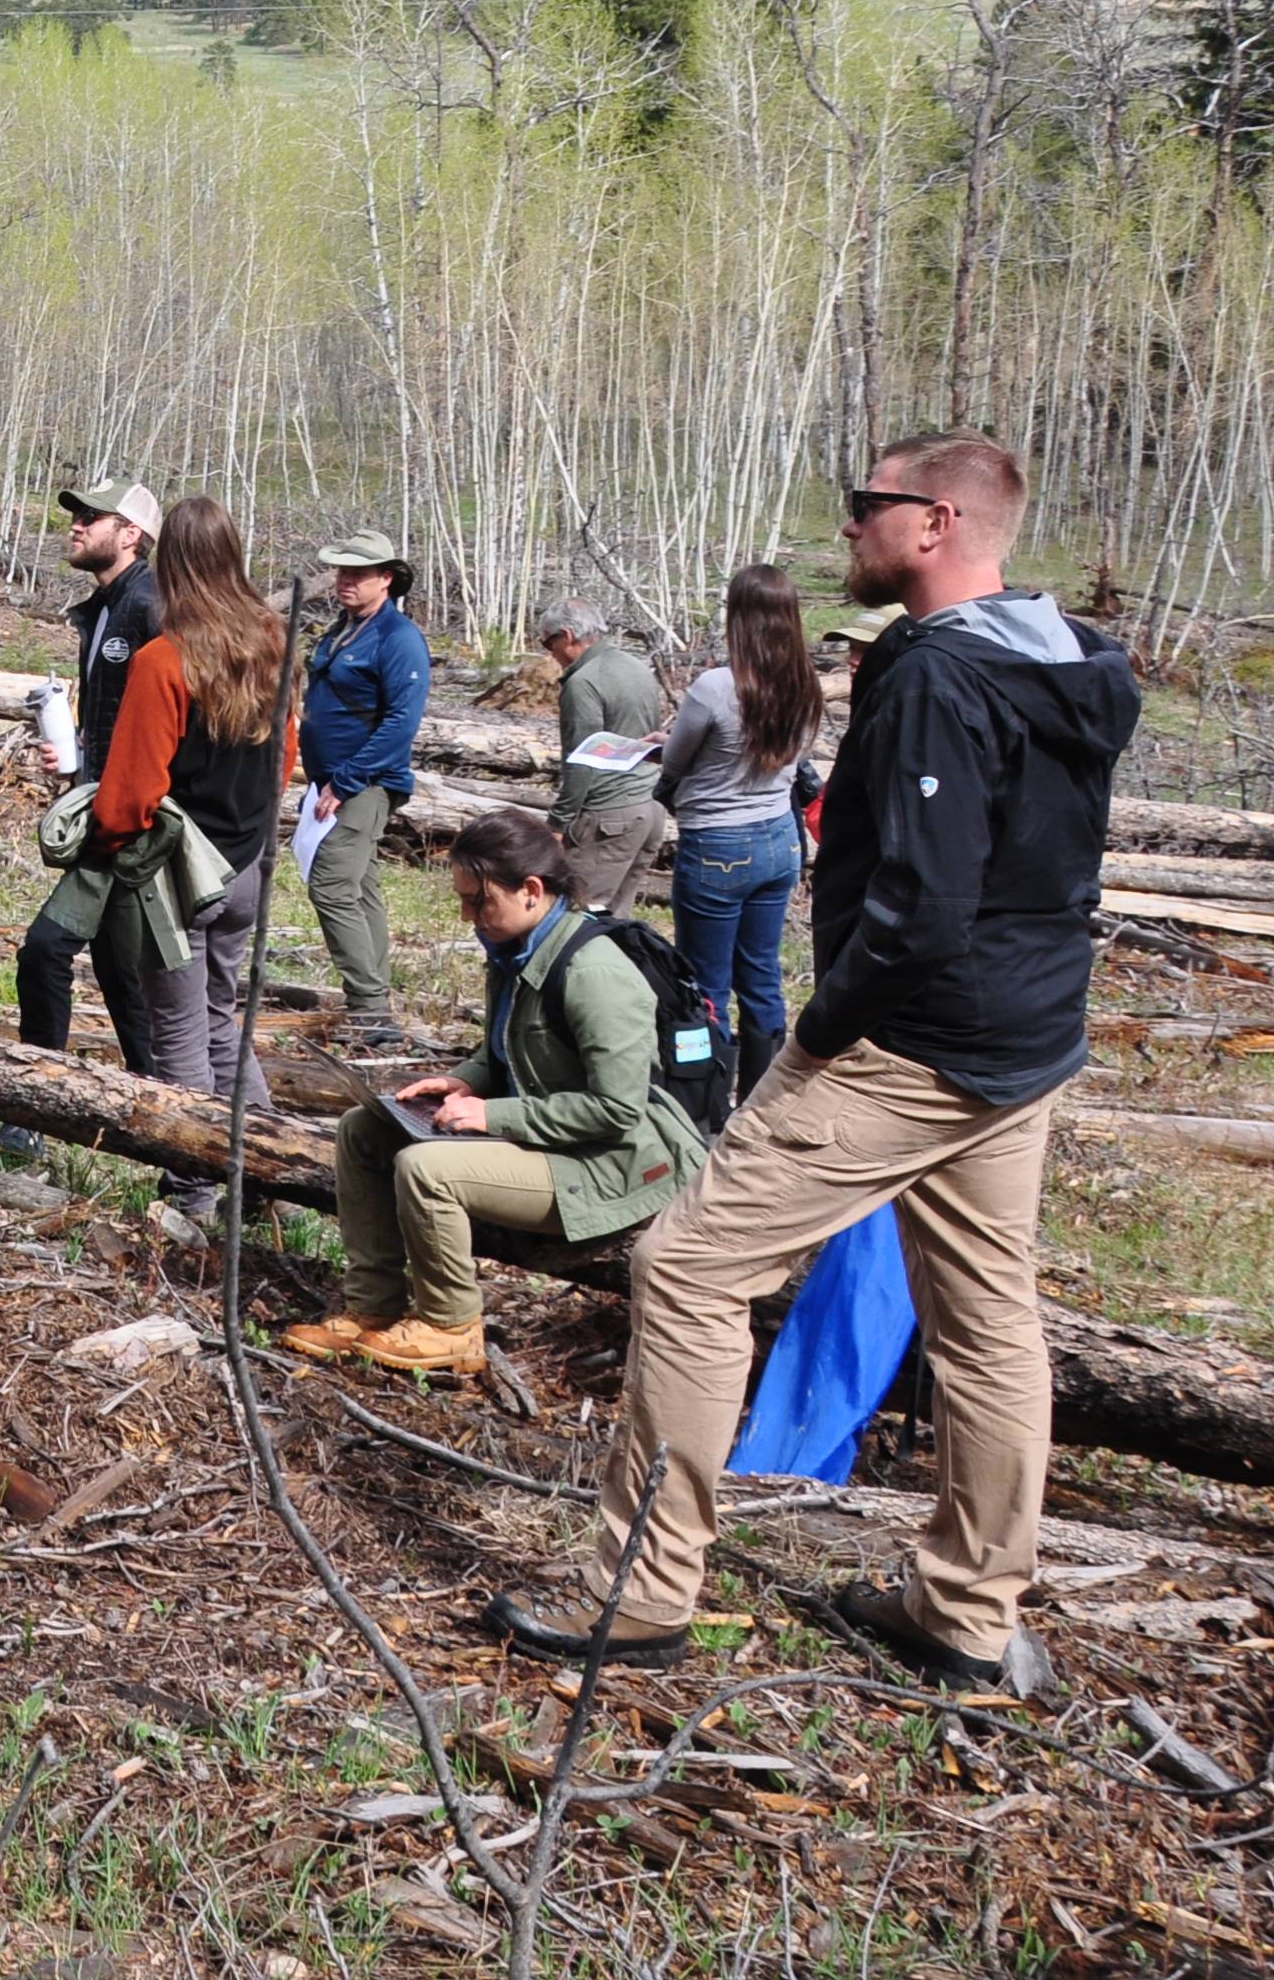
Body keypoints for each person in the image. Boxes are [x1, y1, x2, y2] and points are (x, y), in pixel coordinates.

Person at [495, 435, 1136, 1694]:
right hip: (1026, 1037)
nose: (846, 529)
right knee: (988, 1314)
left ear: (937, 522)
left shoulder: (941, 675)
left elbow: (924, 901)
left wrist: (824, 1029)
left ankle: (639, 1585)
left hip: (915, 1046)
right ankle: (965, 1605)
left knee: (684, 1265)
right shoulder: (1066, 660)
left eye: (866, 508)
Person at [288, 809, 708, 1378]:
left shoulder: (594, 974)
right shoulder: (517, 949)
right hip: (560, 1141)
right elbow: (510, 1048)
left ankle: (452, 1326)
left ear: (532, 891)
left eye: (478, 901)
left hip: (614, 1164)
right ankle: (372, 1307)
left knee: (426, 1168)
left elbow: (617, 1110)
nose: (469, 917)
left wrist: (493, 1114)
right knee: (363, 1131)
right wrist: (466, 1079)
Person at [79, 493, 284, 1214]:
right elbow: (287, 756)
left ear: (170, 564)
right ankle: (274, 1171)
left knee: (180, 1037)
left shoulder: (164, 661)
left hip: (179, 876)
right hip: (248, 863)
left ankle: (194, 1193)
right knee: (222, 1022)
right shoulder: (273, 642)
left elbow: (130, 791)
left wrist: (100, 845)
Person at [657, 562, 819, 1100]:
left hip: (719, 843)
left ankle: (705, 1103)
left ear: (738, 618)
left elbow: (676, 763)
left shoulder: (716, 686)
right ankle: (761, 1102)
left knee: (705, 986)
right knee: (763, 976)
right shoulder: (804, 684)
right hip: (778, 838)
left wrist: (664, 769)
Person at [17, 481, 164, 1064]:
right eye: (76, 515)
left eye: (92, 516)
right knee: (115, 961)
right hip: (103, 802)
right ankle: (155, 1093)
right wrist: (77, 755)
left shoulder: (153, 606)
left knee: (45, 950)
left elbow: (168, 719)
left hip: (131, 816)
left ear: (131, 534)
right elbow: (114, 716)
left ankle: (33, 1102)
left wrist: (134, 799)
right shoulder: (106, 606)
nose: (76, 525)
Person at [297, 530, 432, 1033]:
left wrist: (346, 781)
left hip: (364, 783)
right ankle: (376, 998)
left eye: (357, 573)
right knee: (360, 886)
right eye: (341, 571)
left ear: (387, 579)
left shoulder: (399, 640)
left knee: (331, 886)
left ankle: (370, 1012)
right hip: (332, 779)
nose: (345, 581)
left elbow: (400, 723)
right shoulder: (341, 630)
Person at [540, 600, 672, 912]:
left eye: (549, 642)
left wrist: (558, 824)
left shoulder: (583, 683)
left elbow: (583, 761)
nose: (549, 652)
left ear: (568, 635)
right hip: (649, 809)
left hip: (609, 816)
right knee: (614, 916)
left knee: (578, 912)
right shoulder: (636, 667)